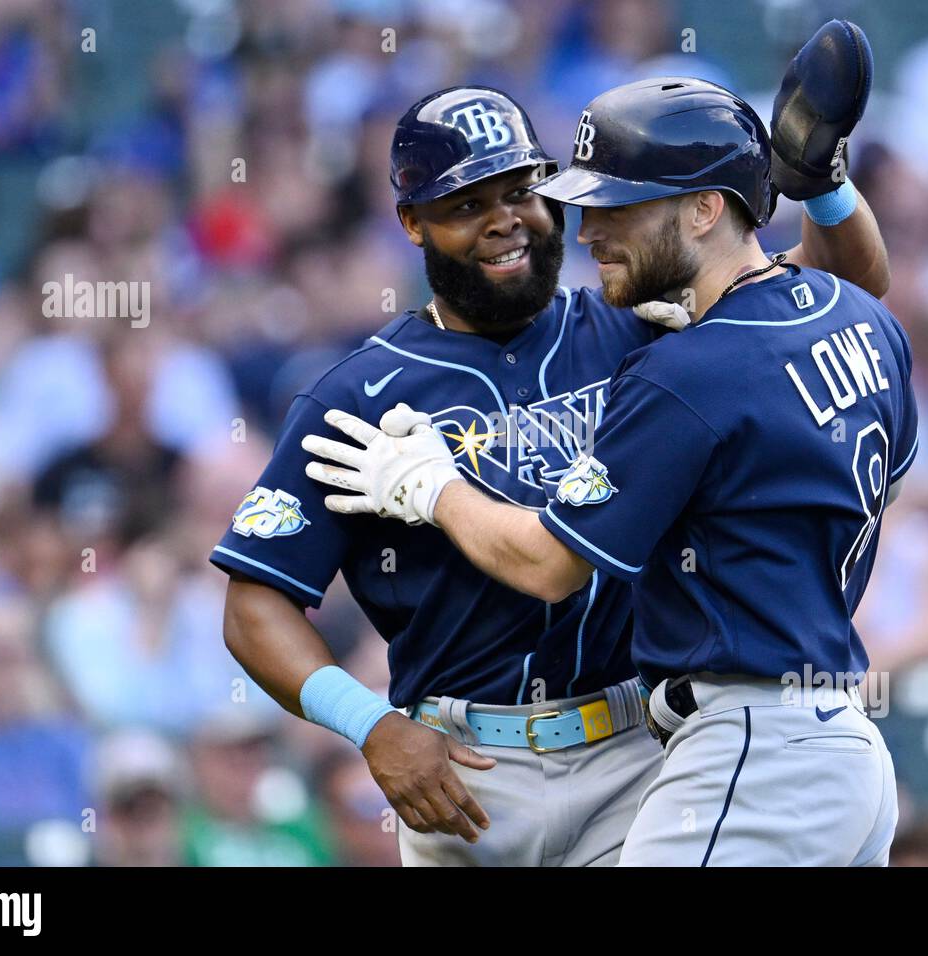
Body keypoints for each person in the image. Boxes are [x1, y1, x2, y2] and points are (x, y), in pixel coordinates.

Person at [215, 21, 889, 866]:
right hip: (465, 770)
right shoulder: (356, 395)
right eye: (466, 205)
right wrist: (371, 726)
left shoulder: (638, 324)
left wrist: (820, 185)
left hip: (637, 748)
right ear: (412, 224)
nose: (504, 222)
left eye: (520, 192)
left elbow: (829, 293)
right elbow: (254, 604)